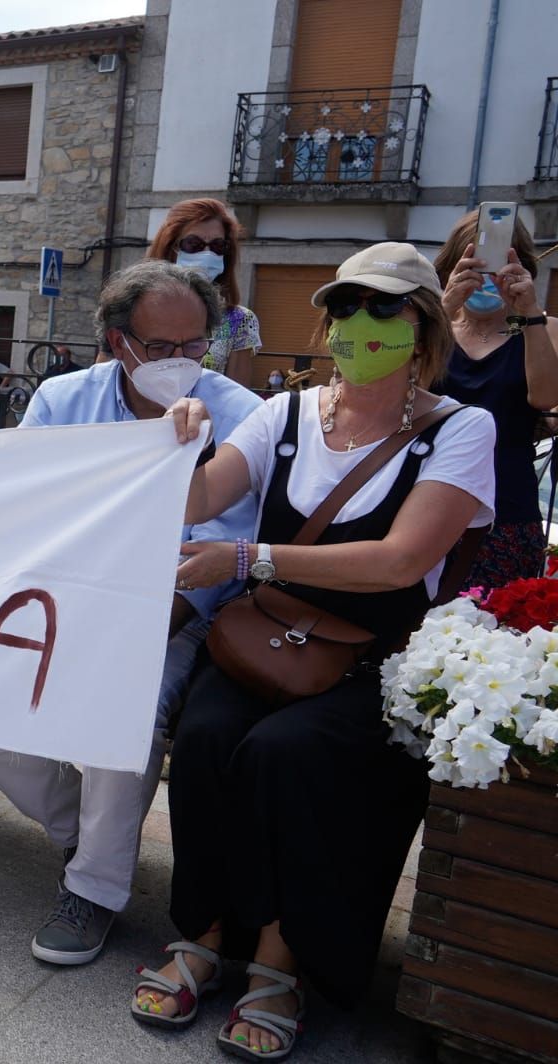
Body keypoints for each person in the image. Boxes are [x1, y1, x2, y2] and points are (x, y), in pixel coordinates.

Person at [141, 242, 494, 1058]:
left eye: (383, 309)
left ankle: (279, 967)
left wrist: (248, 558)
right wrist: (177, 437)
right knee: (201, 739)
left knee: (287, 756)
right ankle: (202, 936)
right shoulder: (285, 412)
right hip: (263, 638)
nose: (356, 324)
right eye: (343, 306)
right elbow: (199, 497)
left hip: (376, 655)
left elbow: (403, 560)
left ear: (423, 327)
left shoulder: (460, 429)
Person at [0, 262, 262, 966]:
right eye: (161, 347)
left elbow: (225, 536)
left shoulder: (242, 412)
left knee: (126, 708)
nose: (181, 362)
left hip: (177, 612)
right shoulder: (63, 401)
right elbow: (22, 503)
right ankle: (82, 831)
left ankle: (93, 889)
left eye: (195, 345)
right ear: (119, 341)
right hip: (64, 594)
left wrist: (154, 615)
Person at [434, 211, 558, 588]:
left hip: (507, 513)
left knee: (487, 632)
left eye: (498, 267)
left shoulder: (541, 328)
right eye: (474, 265)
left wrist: (529, 315)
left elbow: (546, 398)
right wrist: (442, 310)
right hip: (424, 505)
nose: (486, 280)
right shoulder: (436, 329)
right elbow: (401, 389)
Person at [147, 198, 260, 387]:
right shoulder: (132, 309)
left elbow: (236, 399)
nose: (207, 254)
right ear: (171, 247)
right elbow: (105, 382)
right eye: (194, 244)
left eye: (218, 246)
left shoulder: (239, 321)